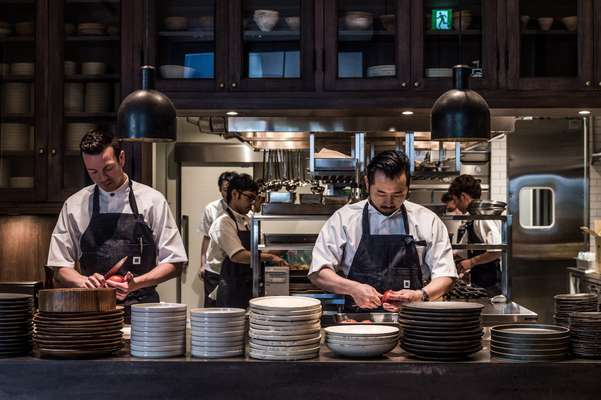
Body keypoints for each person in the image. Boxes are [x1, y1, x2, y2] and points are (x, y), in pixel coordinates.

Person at [46, 130, 188, 318]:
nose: (102, 178)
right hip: (93, 311)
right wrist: (83, 281)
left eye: (108, 168)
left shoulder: (153, 200)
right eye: (93, 172)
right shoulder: (74, 205)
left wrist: (136, 283)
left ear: (121, 158)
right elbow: (60, 266)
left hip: (144, 312)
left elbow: (174, 262)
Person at [309, 150, 457, 311]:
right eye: (381, 193)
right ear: (367, 183)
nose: (388, 201)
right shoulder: (343, 219)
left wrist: (420, 295)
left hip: (413, 320)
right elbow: (319, 272)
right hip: (358, 322)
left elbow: (446, 274)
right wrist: (352, 288)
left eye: (398, 194)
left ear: (408, 187)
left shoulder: (428, 220)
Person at [207, 173, 287, 308]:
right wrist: (271, 257)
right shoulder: (223, 223)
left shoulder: (248, 220)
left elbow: (260, 250)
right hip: (230, 285)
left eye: (254, 199)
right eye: (249, 197)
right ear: (234, 194)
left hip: (247, 283)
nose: (252, 203)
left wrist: (286, 247)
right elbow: (238, 256)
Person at [448, 174, 502, 296]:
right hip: (482, 284)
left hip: (491, 287)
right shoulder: (473, 219)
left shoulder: (482, 217)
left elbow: (496, 251)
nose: (455, 205)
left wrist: (471, 262)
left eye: (455, 200)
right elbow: (460, 252)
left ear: (463, 197)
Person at [198, 171, 237, 307]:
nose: (228, 193)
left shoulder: (247, 211)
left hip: (236, 270)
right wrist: (202, 264)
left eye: (231, 189)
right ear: (220, 190)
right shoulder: (211, 209)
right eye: (225, 189)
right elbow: (206, 237)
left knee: (233, 308)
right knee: (212, 307)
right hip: (214, 268)